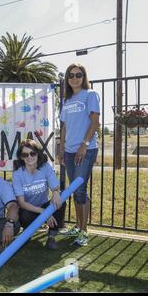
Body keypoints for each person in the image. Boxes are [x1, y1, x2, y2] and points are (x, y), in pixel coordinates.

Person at [58, 63, 100, 246]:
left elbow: (95, 121)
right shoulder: (67, 101)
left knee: (80, 189)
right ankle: (77, 226)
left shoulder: (90, 95)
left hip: (86, 150)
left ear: (84, 77)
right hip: (69, 151)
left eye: (79, 74)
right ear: (67, 79)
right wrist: (61, 148)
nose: (75, 78)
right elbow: (65, 127)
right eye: (71, 75)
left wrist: (84, 144)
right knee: (76, 190)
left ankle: (84, 232)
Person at [12, 139, 63, 250]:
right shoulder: (17, 174)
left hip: (44, 205)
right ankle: (28, 232)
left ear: (37, 153)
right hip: (28, 209)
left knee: (60, 202)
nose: (29, 157)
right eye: (25, 154)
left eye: (32, 153)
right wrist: (44, 213)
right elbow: (21, 203)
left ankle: (51, 237)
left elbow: (55, 186)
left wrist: (55, 192)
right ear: (21, 157)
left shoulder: (45, 167)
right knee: (24, 215)